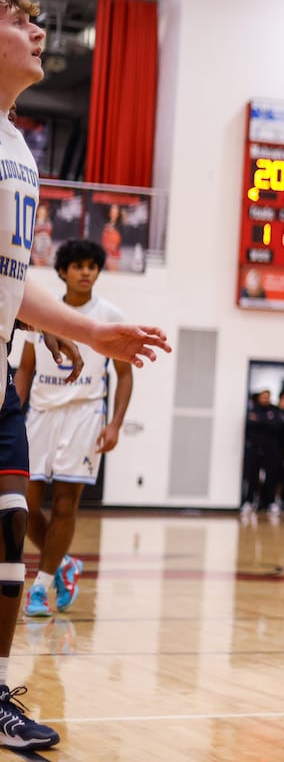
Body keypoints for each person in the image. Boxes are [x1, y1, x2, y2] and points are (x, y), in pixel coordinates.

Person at [0, 0, 170, 749]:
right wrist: (76, 326)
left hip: (4, 384)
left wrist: (81, 332)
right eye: (20, 20)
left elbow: (10, 269)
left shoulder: (17, 143)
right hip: (24, 390)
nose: (39, 32)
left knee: (11, 540)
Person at [15, 239, 132, 617]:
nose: (86, 272)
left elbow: (125, 374)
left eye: (92, 266)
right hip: (40, 414)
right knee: (23, 504)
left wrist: (115, 424)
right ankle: (64, 563)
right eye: (78, 265)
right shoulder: (44, 311)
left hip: (84, 415)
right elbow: (27, 368)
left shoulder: (109, 314)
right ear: (63, 271)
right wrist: (13, 411)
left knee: (66, 502)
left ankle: (41, 585)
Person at [241, 388, 283, 515]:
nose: (265, 399)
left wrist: (260, 421)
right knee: (253, 475)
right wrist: (266, 423)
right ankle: (249, 501)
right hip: (255, 448)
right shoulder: (253, 410)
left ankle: (270, 502)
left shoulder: (275, 410)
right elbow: (250, 425)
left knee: (271, 476)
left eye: (267, 397)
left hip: (270, 449)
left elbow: (278, 426)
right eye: (263, 397)